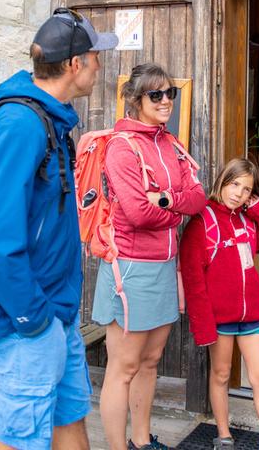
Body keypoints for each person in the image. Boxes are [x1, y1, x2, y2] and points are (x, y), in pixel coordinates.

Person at [0, 7, 118, 450]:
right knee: (19, 441)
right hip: (28, 322)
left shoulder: (52, 121)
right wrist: (32, 318)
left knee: (69, 419)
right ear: (75, 64)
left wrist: (54, 317)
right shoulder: (19, 126)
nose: (99, 66)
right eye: (95, 56)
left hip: (57, 313)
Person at [92, 63, 206, 450]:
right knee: (122, 368)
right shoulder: (122, 147)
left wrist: (166, 200)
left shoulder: (170, 144)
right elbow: (138, 214)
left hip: (163, 267)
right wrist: (174, 209)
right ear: (135, 100)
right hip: (131, 268)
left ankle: (142, 442)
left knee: (151, 361)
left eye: (169, 93)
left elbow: (198, 198)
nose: (165, 101)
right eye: (155, 95)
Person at [180, 158, 259, 450]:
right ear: (223, 181)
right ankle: (224, 436)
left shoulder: (248, 219)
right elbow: (193, 280)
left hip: (250, 316)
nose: (238, 193)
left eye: (246, 189)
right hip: (220, 319)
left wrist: (258, 206)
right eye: (234, 184)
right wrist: (203, 327)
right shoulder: (202, 222)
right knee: (222, 374)